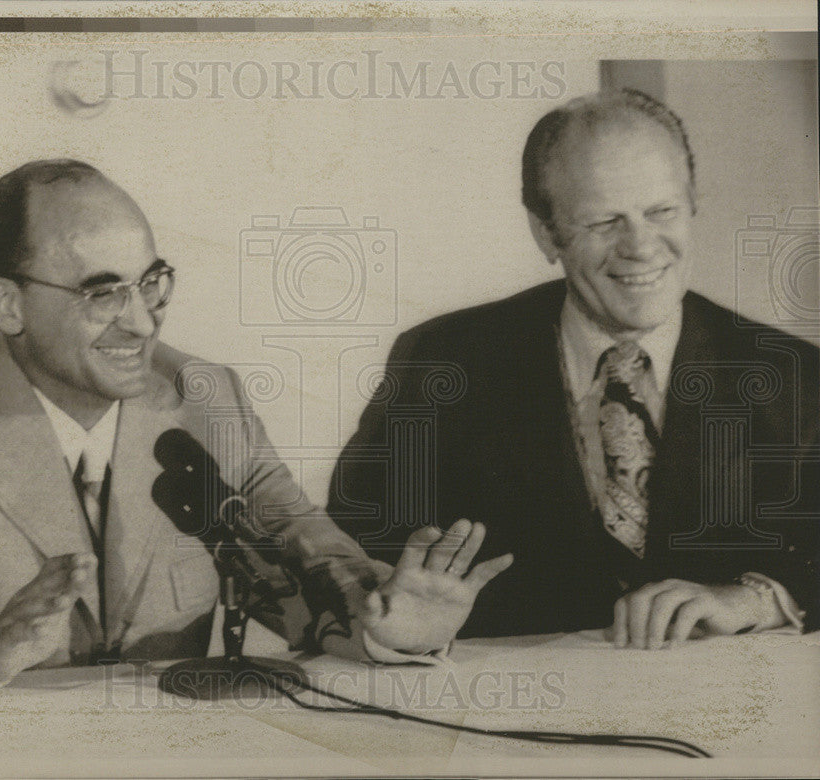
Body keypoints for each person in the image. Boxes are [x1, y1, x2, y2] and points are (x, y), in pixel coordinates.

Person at [0, 160, 514, 687]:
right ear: (8, 305)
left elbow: (302, 552)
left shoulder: (207, 398)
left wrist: (385, 622)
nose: (144, 325)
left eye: (151, 283)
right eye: (103, 293)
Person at [328, 89, 818, 649]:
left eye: (662, 212)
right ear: (546, 232)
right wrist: (395, 622)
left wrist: (753, 598)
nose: (640, 246)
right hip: (512, 714)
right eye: (603, 221)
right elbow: (347, 551)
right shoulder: (443, 360)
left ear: (693, 205)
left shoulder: (794, 375)